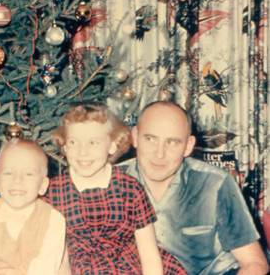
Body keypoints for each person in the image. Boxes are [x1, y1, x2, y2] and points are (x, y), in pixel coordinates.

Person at [122, 101, 269, 275]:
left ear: (188, 146)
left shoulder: (215, 183)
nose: (159, 153)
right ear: (135, 136)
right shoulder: (108, 183)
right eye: (150, 139)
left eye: (172, 142)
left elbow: (254, 264)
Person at [44, 103, 187, 274]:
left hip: (130, 266)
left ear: (112, 145)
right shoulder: (54, 193)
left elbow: (149, 252)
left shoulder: (130, 189)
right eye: (74, 142)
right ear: (65, 147)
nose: (83, 152)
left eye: (93, 142)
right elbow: (57, 256)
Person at [0, 138, 69, 275]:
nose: (17, 180)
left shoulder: (53, 220)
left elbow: (45, 268)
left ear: (43, 185)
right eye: (9, 173)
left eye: (28, 174)